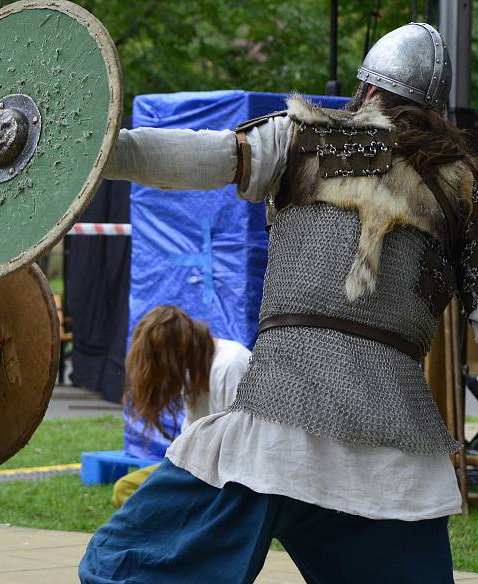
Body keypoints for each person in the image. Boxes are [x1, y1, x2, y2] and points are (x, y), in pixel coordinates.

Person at [80, 23, 475, 583]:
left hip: (278, 429)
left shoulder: (305, 138)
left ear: (366, 90)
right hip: (395, 455)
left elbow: (201, 157)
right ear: (437, 112)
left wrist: (91, 155)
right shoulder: (460, 188)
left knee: (122, 566)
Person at [112, 305, 250, 507]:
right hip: (198, 469)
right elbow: (191, 436)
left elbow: (240, 449)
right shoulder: (191, 368)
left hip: (226, 479)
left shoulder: (231, 364)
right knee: (125, 488)